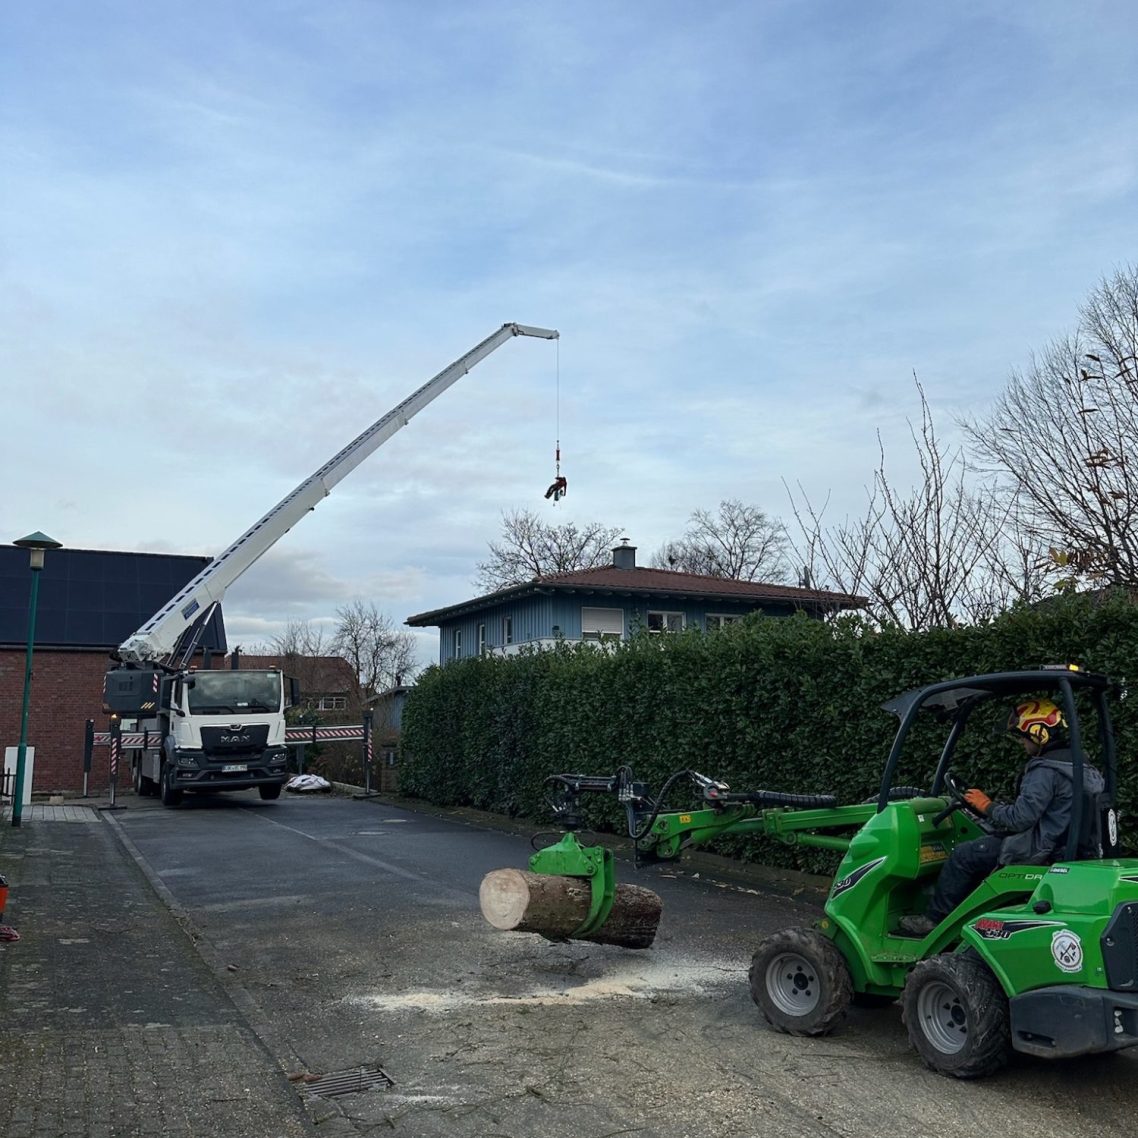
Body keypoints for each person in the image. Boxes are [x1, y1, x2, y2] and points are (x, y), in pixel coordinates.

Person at [897, 698, 1104, 937]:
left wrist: (987, 805)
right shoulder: (1082, 767)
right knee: (984, 845)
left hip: (1040, 849)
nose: (1021, 742)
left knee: (964, 855)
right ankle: (965, 917)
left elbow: (1020, 819)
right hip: (1064, 846)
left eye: (1022, 737)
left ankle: (933, 920)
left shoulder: (1045, 770)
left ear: (1039, 734)